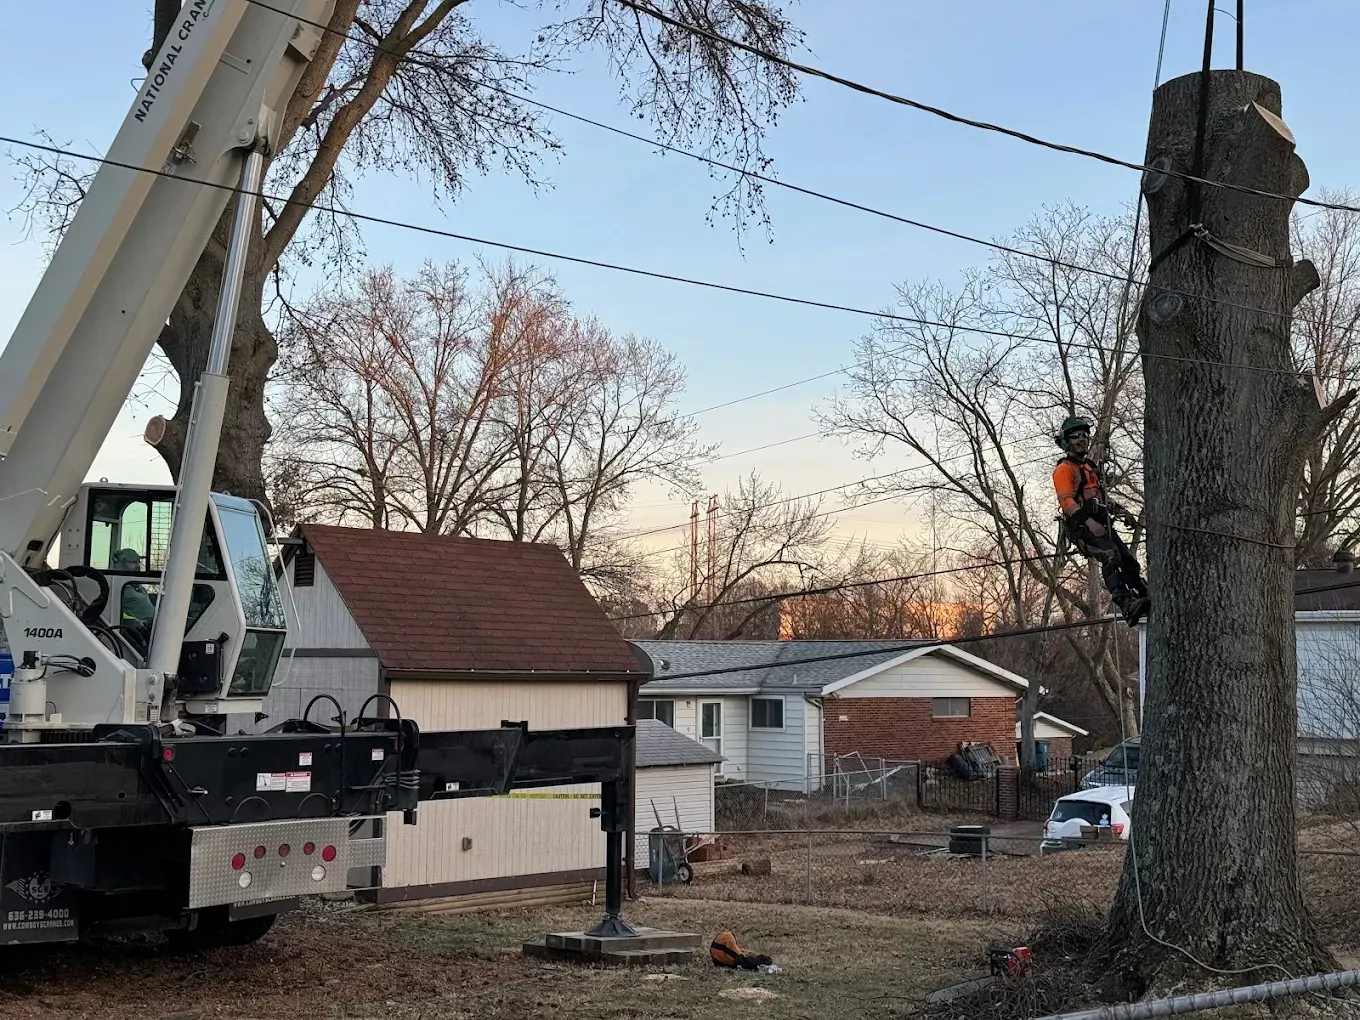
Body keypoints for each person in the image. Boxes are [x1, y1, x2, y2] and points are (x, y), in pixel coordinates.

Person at [1051, 417, 1150, 627]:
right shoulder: (1064, 469)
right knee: (1110, 555)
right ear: (1067, 441)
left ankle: (1144, 594)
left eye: (1085, 435)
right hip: (1082, 528)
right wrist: (1088, 522)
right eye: (1075, 436)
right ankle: (1125, 603)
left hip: (1102, 524)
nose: (1081, 439)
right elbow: (1066, 502)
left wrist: (1123, 512)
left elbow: (1101, 497)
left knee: (1129, 561)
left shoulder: (1090, 467)